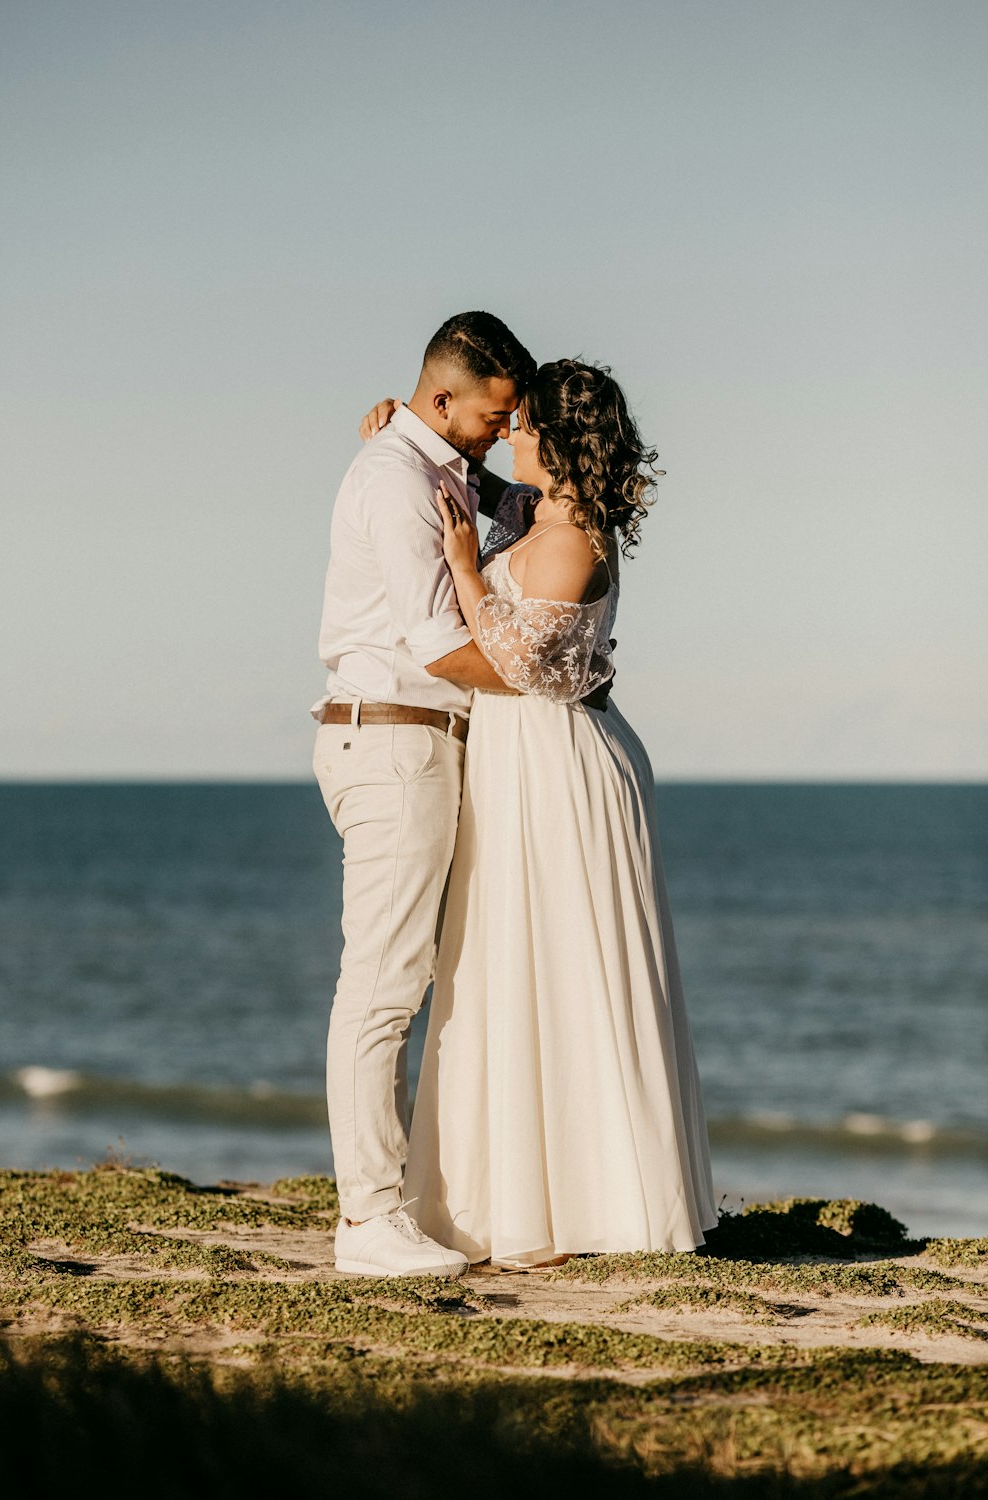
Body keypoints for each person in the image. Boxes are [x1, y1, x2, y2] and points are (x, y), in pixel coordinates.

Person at [389, 359, 719, 1267]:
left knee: (568, 964)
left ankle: (593, 1207)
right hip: (522, 758)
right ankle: (513, 1198)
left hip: (562, 761)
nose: (510, 434)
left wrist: (462, 571)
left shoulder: (574, 533)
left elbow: (522, 661)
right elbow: (473, 476)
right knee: (511, 963)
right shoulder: (540, 512)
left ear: (564, 443)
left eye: (526, 424)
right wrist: (399, 429)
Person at [312, 310, 535, 1278]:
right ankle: (365, 1222)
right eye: (492, 415)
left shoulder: (433, 461)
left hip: (420, 743)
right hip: (395, 741)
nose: (500, 428)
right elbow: (438, 643)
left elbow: (530, 516)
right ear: (442, 400)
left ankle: (405, 1200)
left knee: (412, 982)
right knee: (383, 985)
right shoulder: (398, 478)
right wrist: (548, 676)